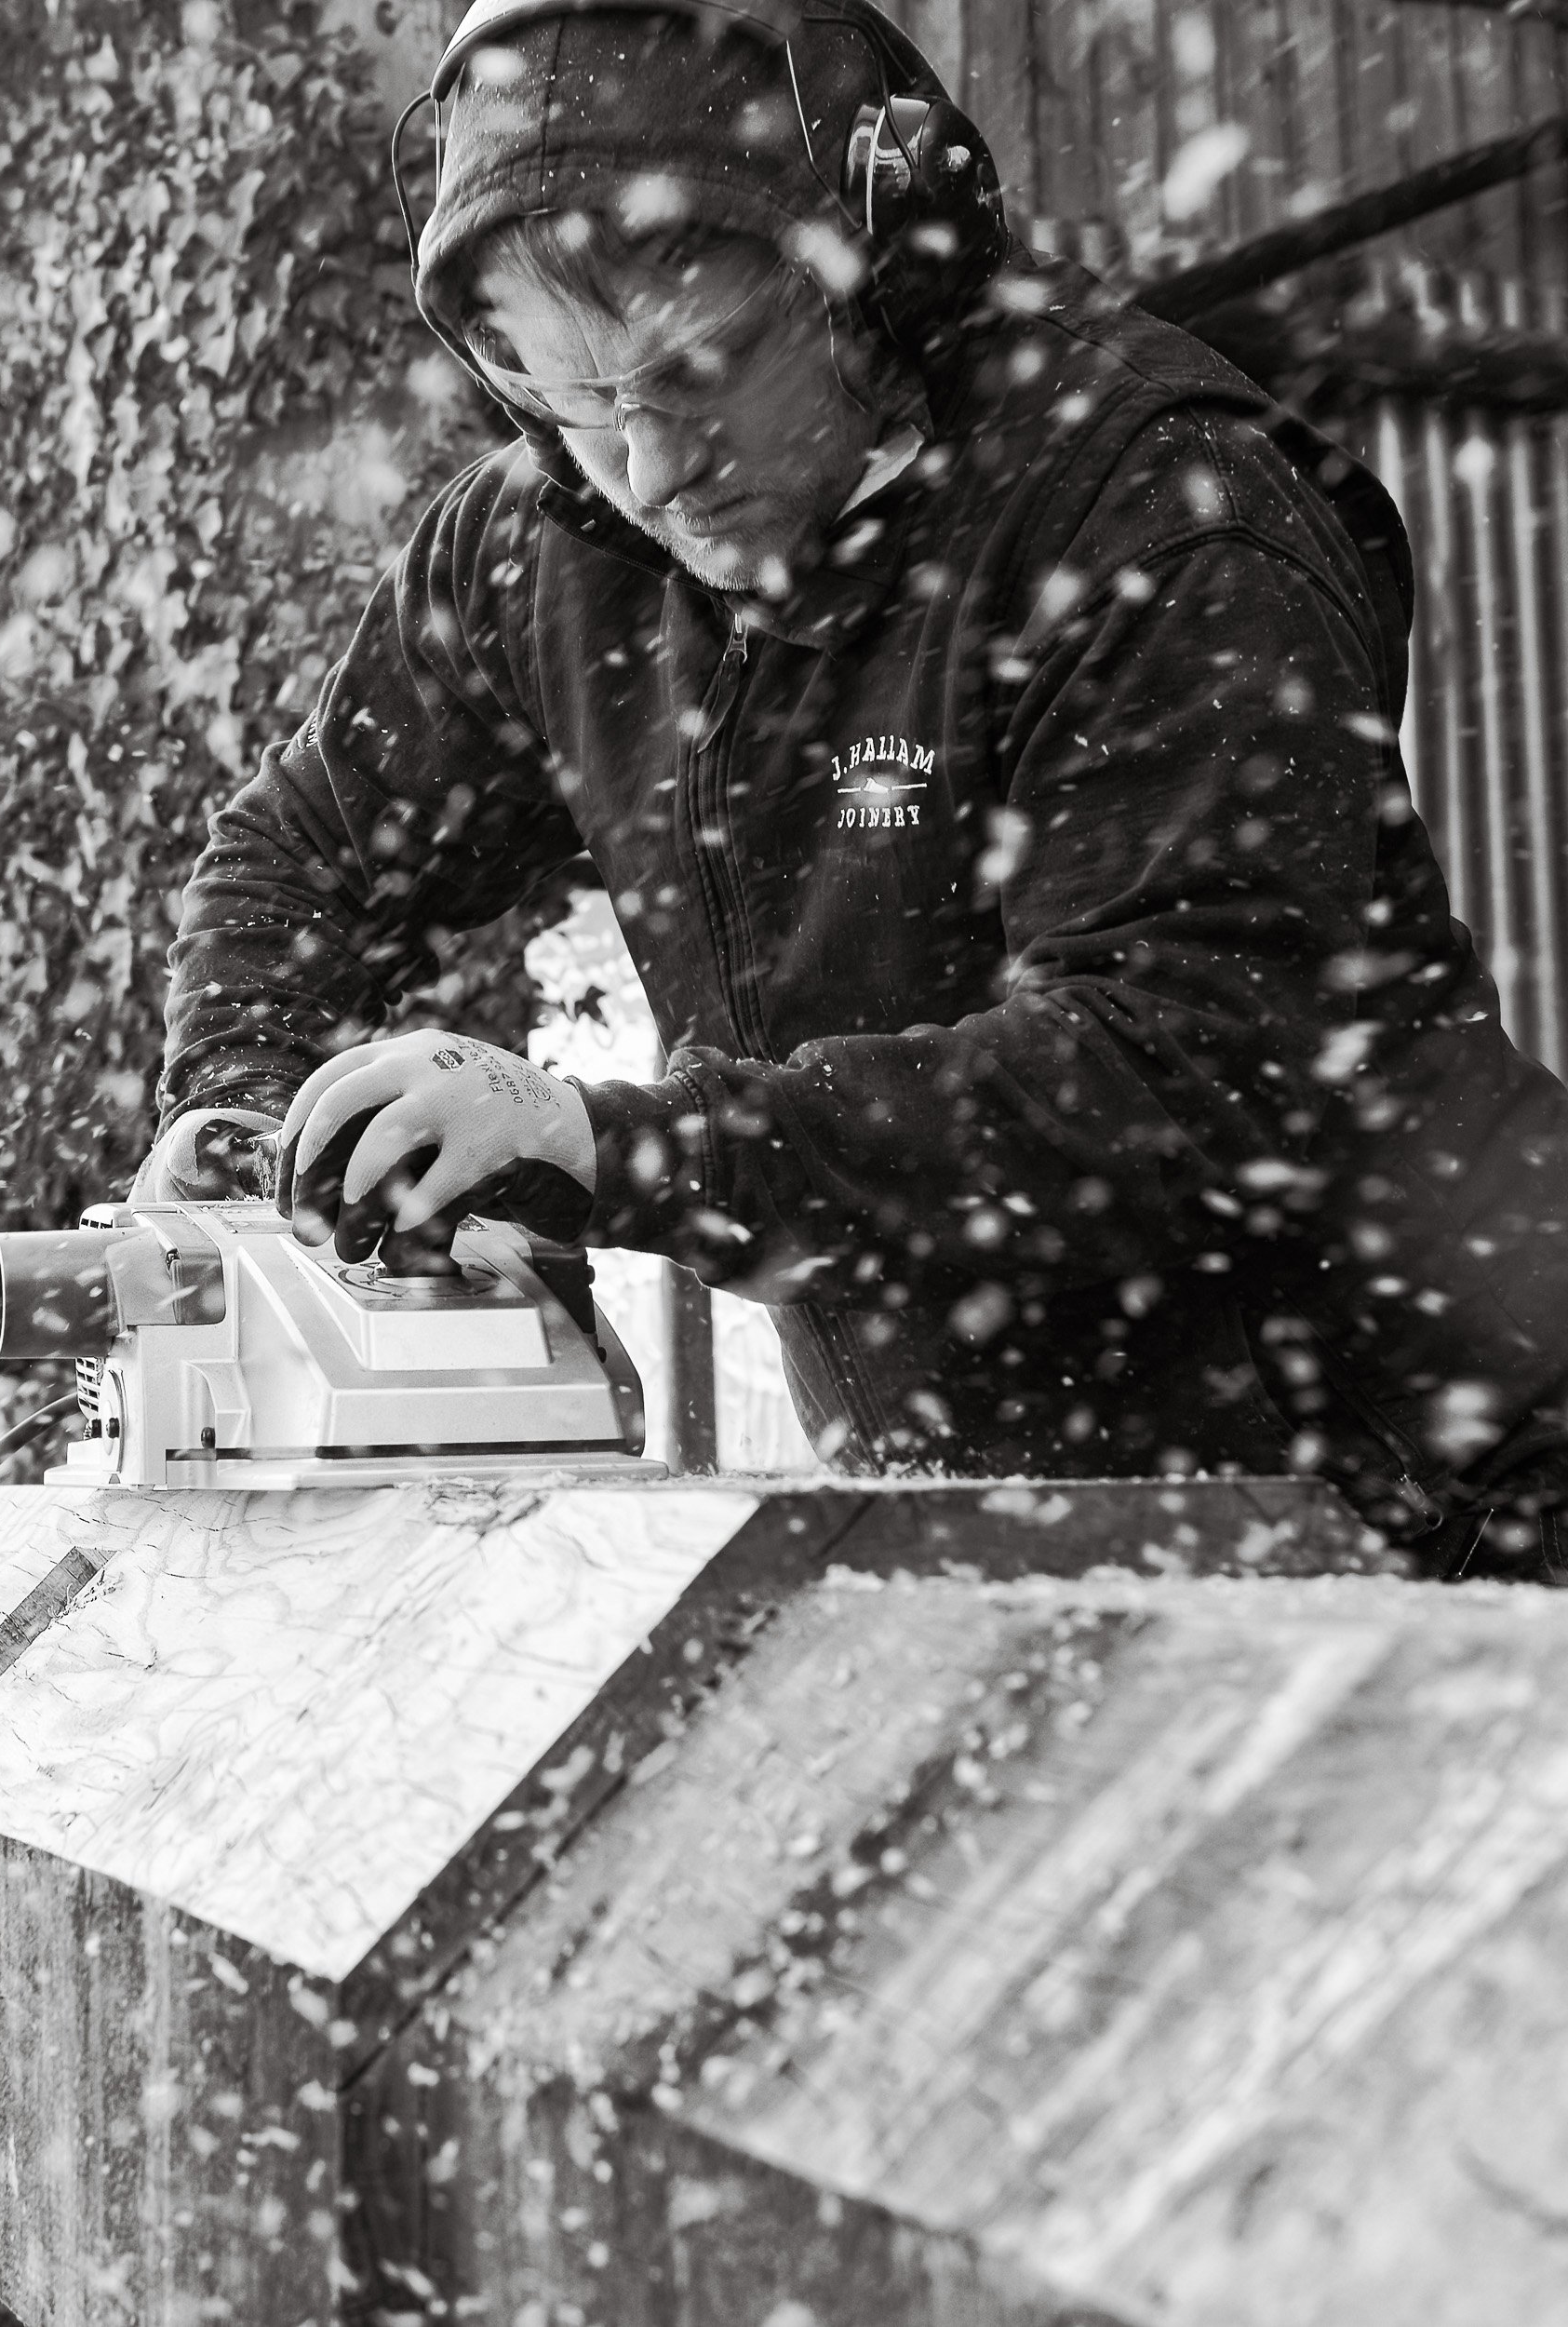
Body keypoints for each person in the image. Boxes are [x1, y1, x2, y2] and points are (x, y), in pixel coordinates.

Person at [132, 0, 1568, 1577]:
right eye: (581, 403)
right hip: (1035, 1525)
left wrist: (636, 1151)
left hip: (1439, 1503)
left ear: (885, 266)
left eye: (699, 371)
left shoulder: (1157, 517)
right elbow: (307, 851)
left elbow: (1169, 1079)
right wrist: (243, 1101)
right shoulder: (552, 553)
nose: (653, 471)